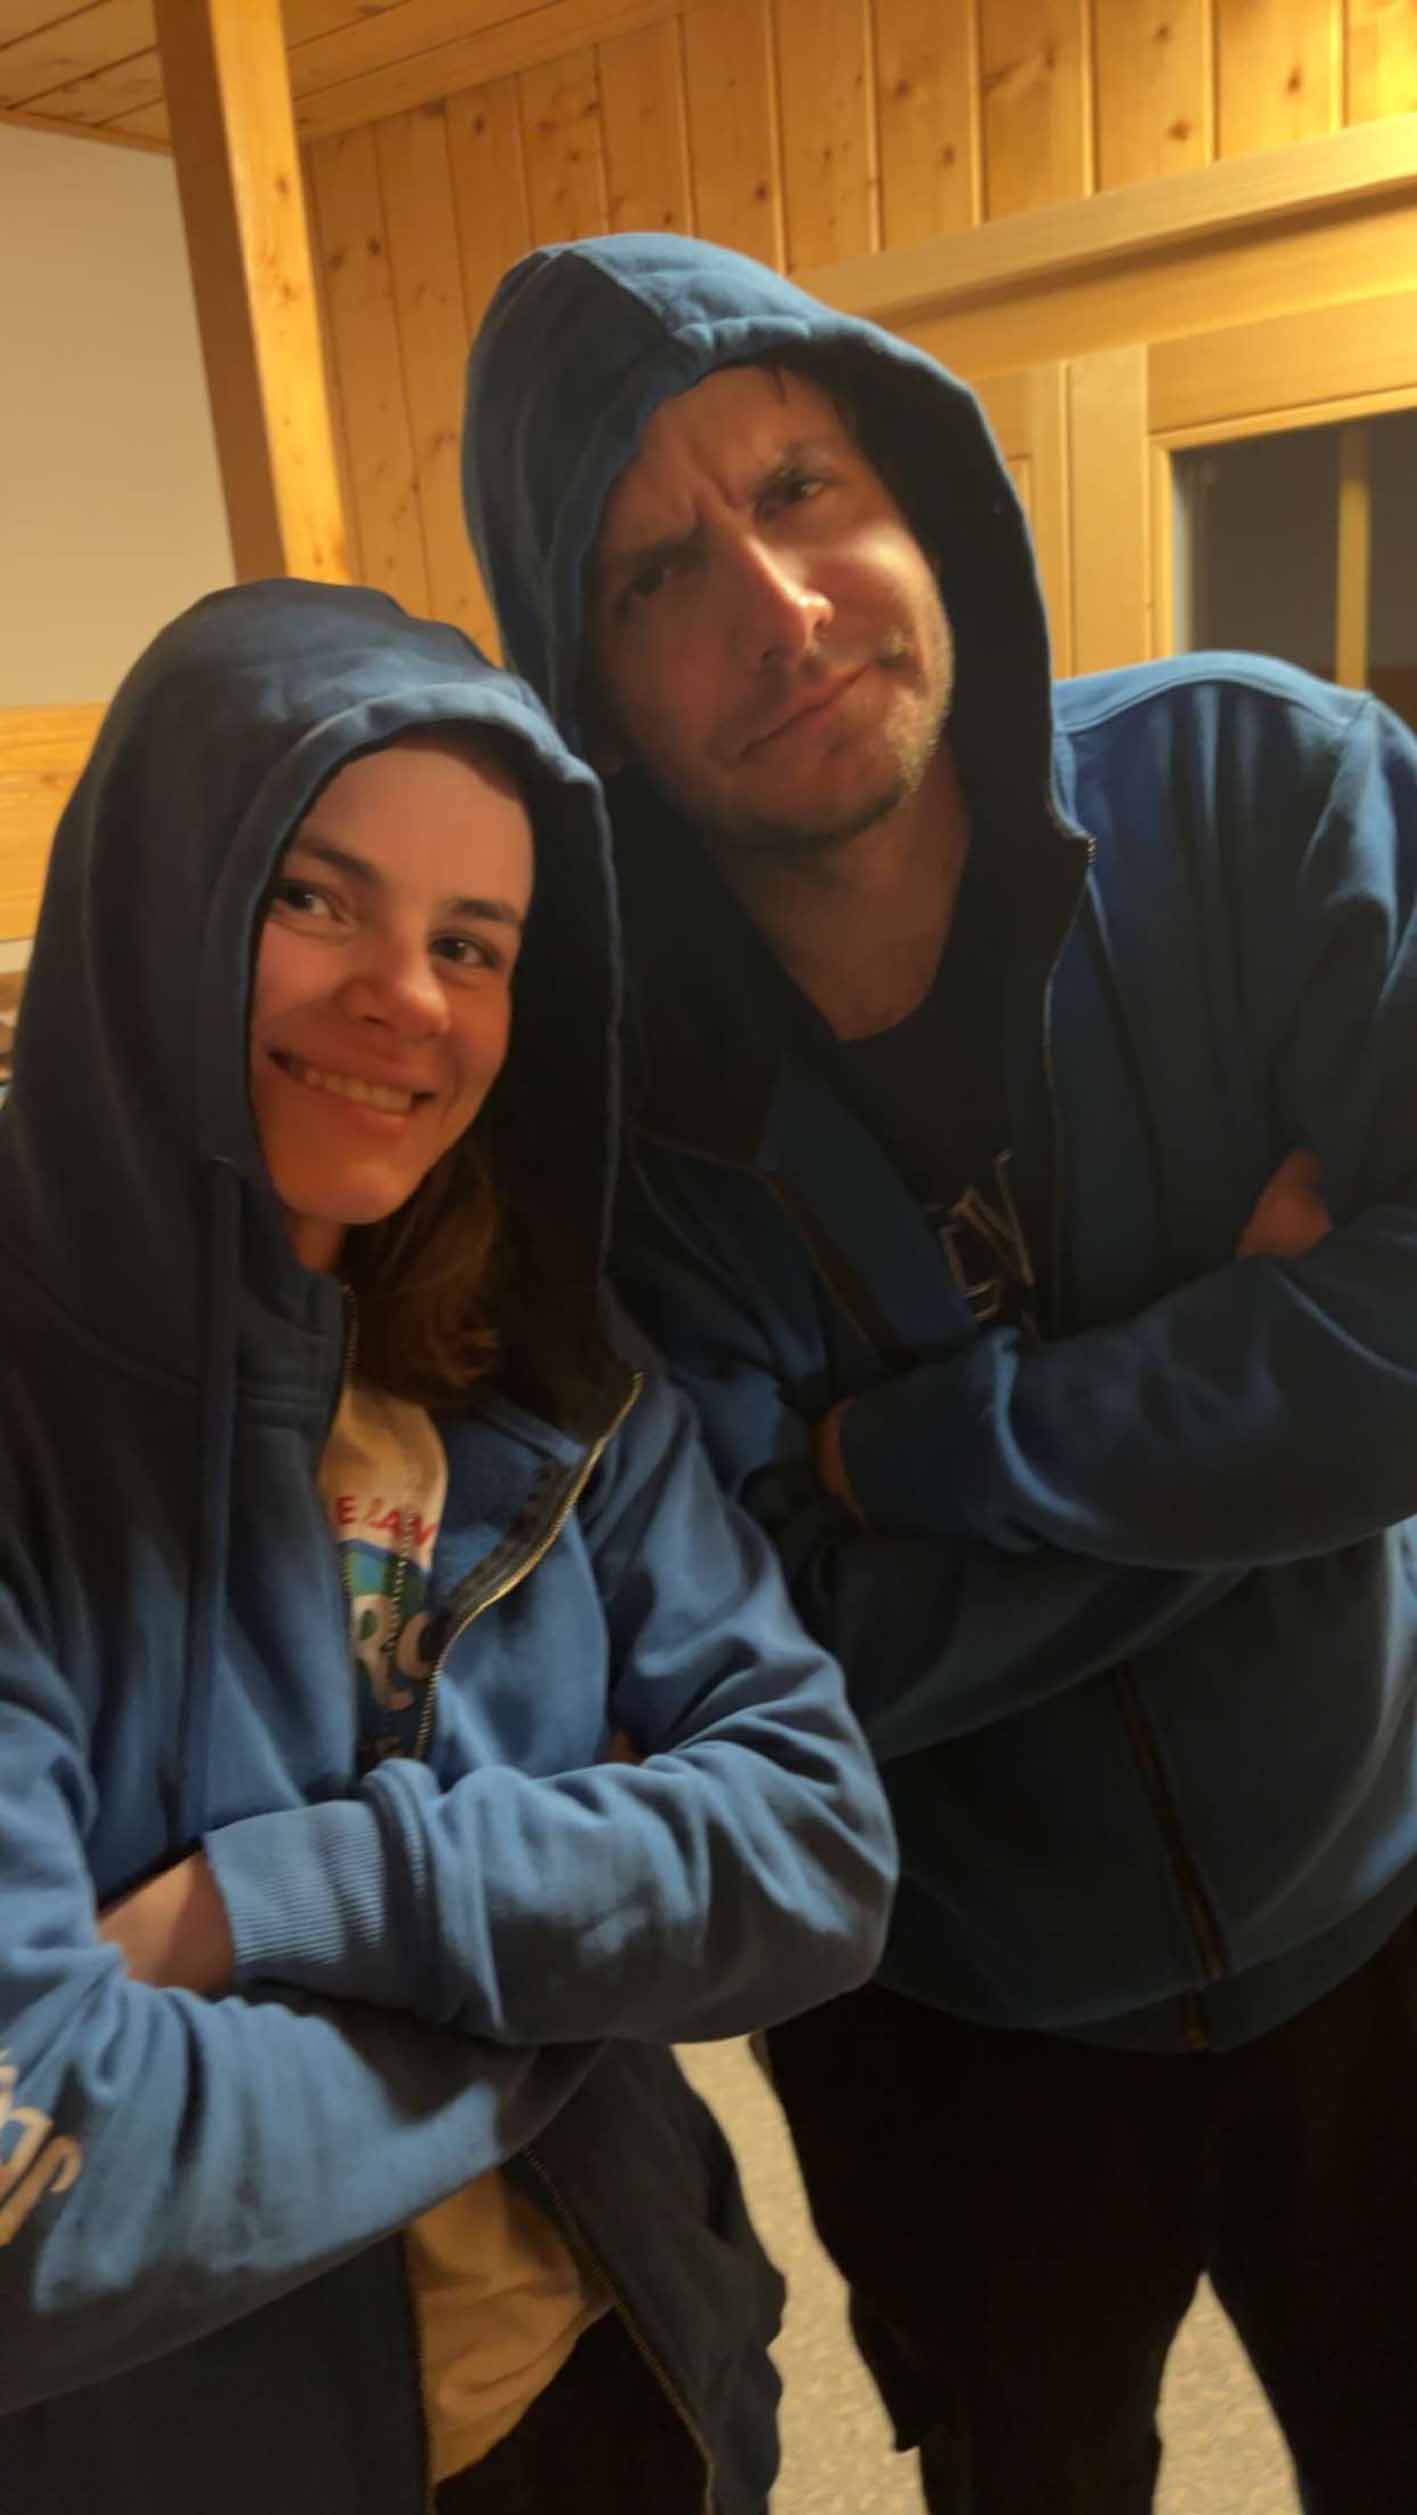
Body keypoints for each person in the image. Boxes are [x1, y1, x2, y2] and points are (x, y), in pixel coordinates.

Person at [461, 233, 1417, 2512]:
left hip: (1383, 1906)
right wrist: (1260, 1431)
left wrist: (914, 1453)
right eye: (657, 573)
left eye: (800, 487)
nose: (780, 608)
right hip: (947, 2015)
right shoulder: (595, 1127)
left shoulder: (1268, 790)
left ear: (921, 498)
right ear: (590, 693)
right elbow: (767, 1660)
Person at [0, 577, 897, 2515]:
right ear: (158, 904)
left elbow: (818, 1847)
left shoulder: (551, 1366)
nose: (405, 997)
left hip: (623, 2383)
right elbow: (35, 2190)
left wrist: (265, 1902)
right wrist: (562, 1971)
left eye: (470, 943)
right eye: (314, 899)